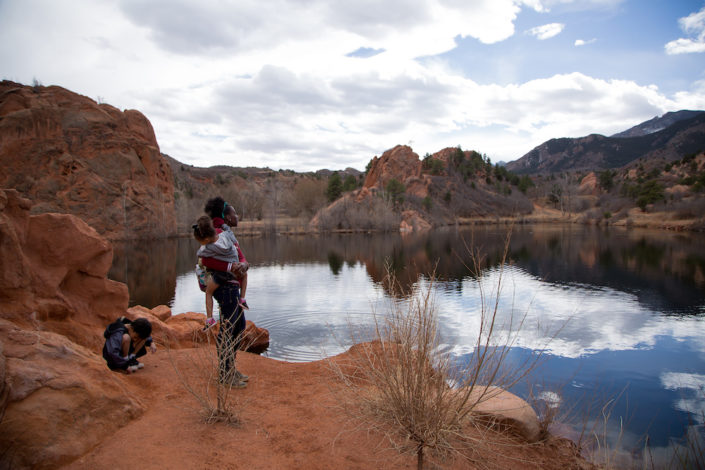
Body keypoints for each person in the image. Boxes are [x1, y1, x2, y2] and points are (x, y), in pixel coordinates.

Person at [193, 216, 241, 330]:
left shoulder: (209, 247)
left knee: (208, 292)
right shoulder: (225, 236)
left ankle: (210, 319)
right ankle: (243, 298)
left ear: (204, 239)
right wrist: (224, 226)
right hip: (234, 269)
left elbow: (200, 254)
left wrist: (204, 245)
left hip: (222, 275)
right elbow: (234, 239)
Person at [202, 197, 250, 310]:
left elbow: (242, 257)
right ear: (228, 217)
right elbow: (205, 260)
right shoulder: (217, 233)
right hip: (225, 288)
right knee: (230, 326)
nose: (237, 216)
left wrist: (244, 265)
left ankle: (242, 301)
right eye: (235, 213)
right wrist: (231, 266)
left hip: (233, 287)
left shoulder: (228, 235)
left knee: (239, 325)